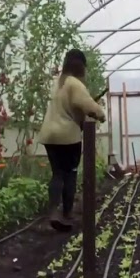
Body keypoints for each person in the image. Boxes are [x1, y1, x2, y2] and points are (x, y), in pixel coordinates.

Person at [36, 49, 107, 231]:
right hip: (67, 136)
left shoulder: (57, 83)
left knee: (57, 173)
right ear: (81, 66)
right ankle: (67, 214)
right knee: (70, 173)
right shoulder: (75, 84)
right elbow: (90, 107)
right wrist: (101, 115)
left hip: (49, 135)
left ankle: (52, 212)